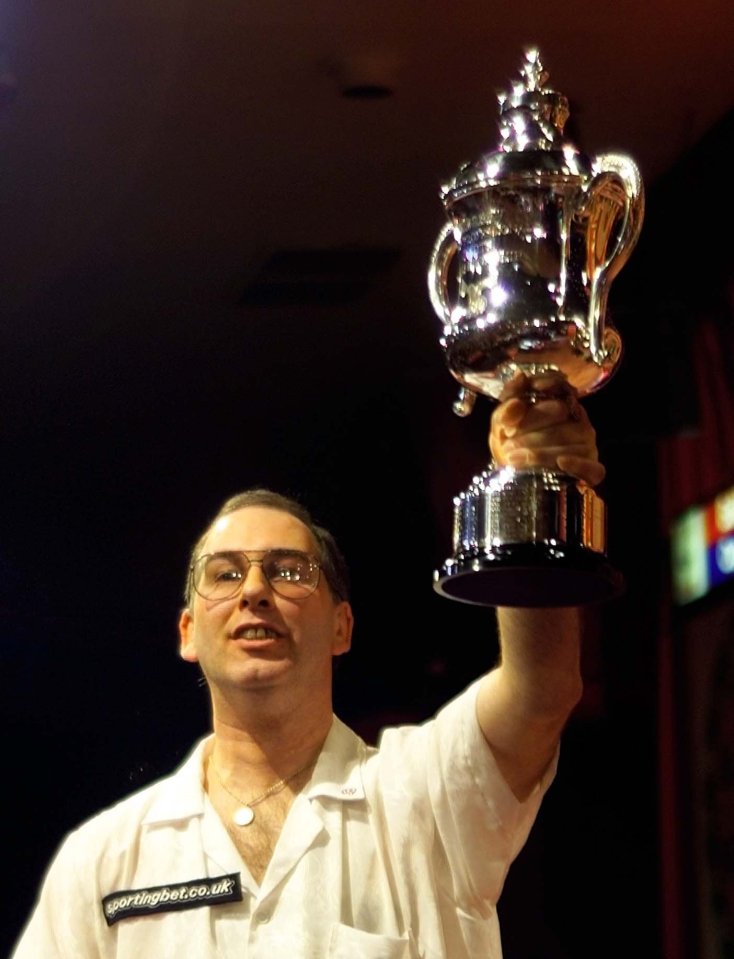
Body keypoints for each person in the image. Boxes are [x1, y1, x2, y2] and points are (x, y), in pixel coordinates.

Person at [11, 372, 606, 959]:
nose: (254, 590)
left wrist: (536, 484)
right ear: (188, 632)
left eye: (289, 570)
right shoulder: (103, 861)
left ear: (341, 626)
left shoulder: (426, 798)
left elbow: (541, 689)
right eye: (224, 573)